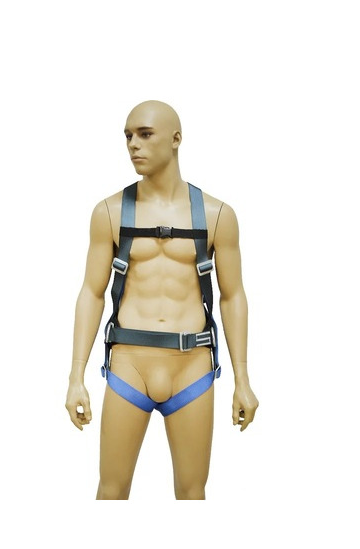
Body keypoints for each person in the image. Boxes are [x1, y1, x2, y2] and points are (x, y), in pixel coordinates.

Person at [65, 100, 259, 500]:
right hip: (129, 367)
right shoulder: (110, 212)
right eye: (128, 136)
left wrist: (243, 380)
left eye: (145, 134)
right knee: (111, 491)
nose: (133, 144)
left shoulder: (217, 215)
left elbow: (233, 296)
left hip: (192, 369)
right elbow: (91, 292)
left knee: (192, 493)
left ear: (176, 139)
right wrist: (75, 377)